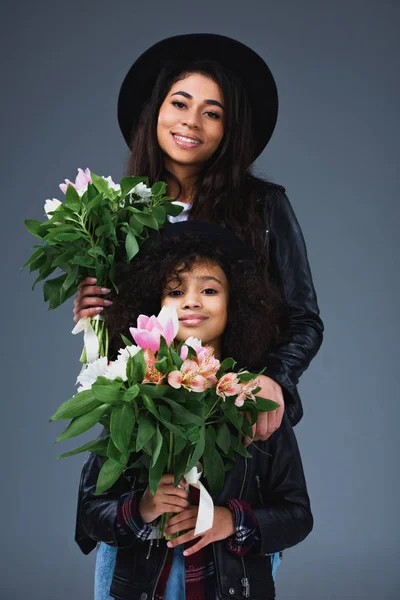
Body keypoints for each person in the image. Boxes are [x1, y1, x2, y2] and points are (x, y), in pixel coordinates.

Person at [73, 33, 323, 598]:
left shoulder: (263, 208)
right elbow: (123, 338)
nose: (193, 122)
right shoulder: (118, 214)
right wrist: (92, 316)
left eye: (213, 113)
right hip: (151, 420)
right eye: (180, 103)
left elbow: (305, 319)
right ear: (155, 111)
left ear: (229, 129)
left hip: (235, 431)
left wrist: (273, 381)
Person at [79, 221, 313, 600]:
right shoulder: (133, 395)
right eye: (175, 290)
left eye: (209, 289)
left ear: (236, 303)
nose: (191, 301)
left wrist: (231, 521)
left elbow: (297, 514)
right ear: (154, 306)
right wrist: (142, 508)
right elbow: (91, 510)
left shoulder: (256, 401)